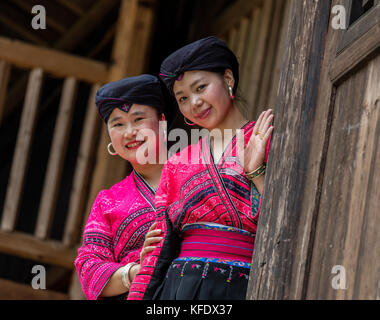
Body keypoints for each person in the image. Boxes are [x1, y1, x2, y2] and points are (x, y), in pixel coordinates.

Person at [128, 37, 273, 300]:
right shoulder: (176, 163)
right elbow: (159, 248)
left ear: (228, 78)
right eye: (183, 97)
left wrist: (256, 172)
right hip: (179, 288)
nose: (194, 102)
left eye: (201, 87)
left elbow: (287, 220)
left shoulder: (267, 139)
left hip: (245, 287)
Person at [74, 74, 169, 300]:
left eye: (138, 119)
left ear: (163, 123)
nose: (129, 132)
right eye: (117, 124)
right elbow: (89, 269)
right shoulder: (108, 200)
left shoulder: (198, 172)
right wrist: (136, 271)